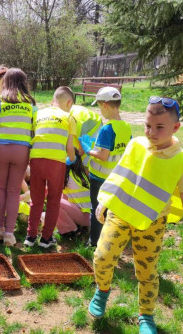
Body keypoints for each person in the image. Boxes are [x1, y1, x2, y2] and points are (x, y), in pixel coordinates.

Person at [88, 97, 183, 334]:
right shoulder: (136, 145)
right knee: (102, 256)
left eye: (159, 127)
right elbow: (121, 174)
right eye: (148, 125)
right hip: (120, 213)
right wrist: (105, 200)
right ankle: (102, 291)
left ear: (175, 127)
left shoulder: (182, 161)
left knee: (147, 271)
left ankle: (146, 316)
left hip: (151, 223)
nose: (151, 132)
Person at [25, 86, 76, 248]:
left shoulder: (38, 114)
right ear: (69, 102)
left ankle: (30, 236)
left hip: (36, 161)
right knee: (54, 200)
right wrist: (73, 159)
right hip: (56, 163)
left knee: (36, 200)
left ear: (53, 100)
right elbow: (69, 148)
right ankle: (46, 239)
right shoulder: (69, 117)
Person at [80, 87, 131, 247]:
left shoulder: (106, 129)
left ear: (106, 106)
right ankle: (110, 243)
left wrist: (89, 150)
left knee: (96, 209)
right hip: (116, 177)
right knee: (111, 211)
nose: (100, 111)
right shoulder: (126, 127)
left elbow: (103, 155)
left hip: (99, 178)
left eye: (100, 107)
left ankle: (94, 242)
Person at [0, 68, 37, 247]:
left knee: (1, 187)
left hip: (0, 147)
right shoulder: (31, 103)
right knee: (13, 190)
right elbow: (34, 128)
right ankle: (10, 234)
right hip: (21, 149)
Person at [57, 151, 91, 239]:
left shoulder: (67, 176)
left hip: (85, 217)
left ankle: (71, 230)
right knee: (59, 199)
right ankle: (73, 226)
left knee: (54, 201)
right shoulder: (81, 172)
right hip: (90, 216)